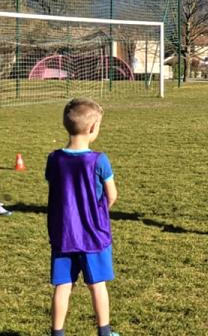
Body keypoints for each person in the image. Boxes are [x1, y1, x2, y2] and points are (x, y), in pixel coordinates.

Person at [46, 98, 119, 336]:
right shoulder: (99, 160)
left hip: (63, 234)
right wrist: (97, 212)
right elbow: (112, 195)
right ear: (92, 128)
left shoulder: (54, 159)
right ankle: (104, 332)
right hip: (93, 235)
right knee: (97, 285)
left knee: (63, 285)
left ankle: (57, 333)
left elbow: (55, 188)